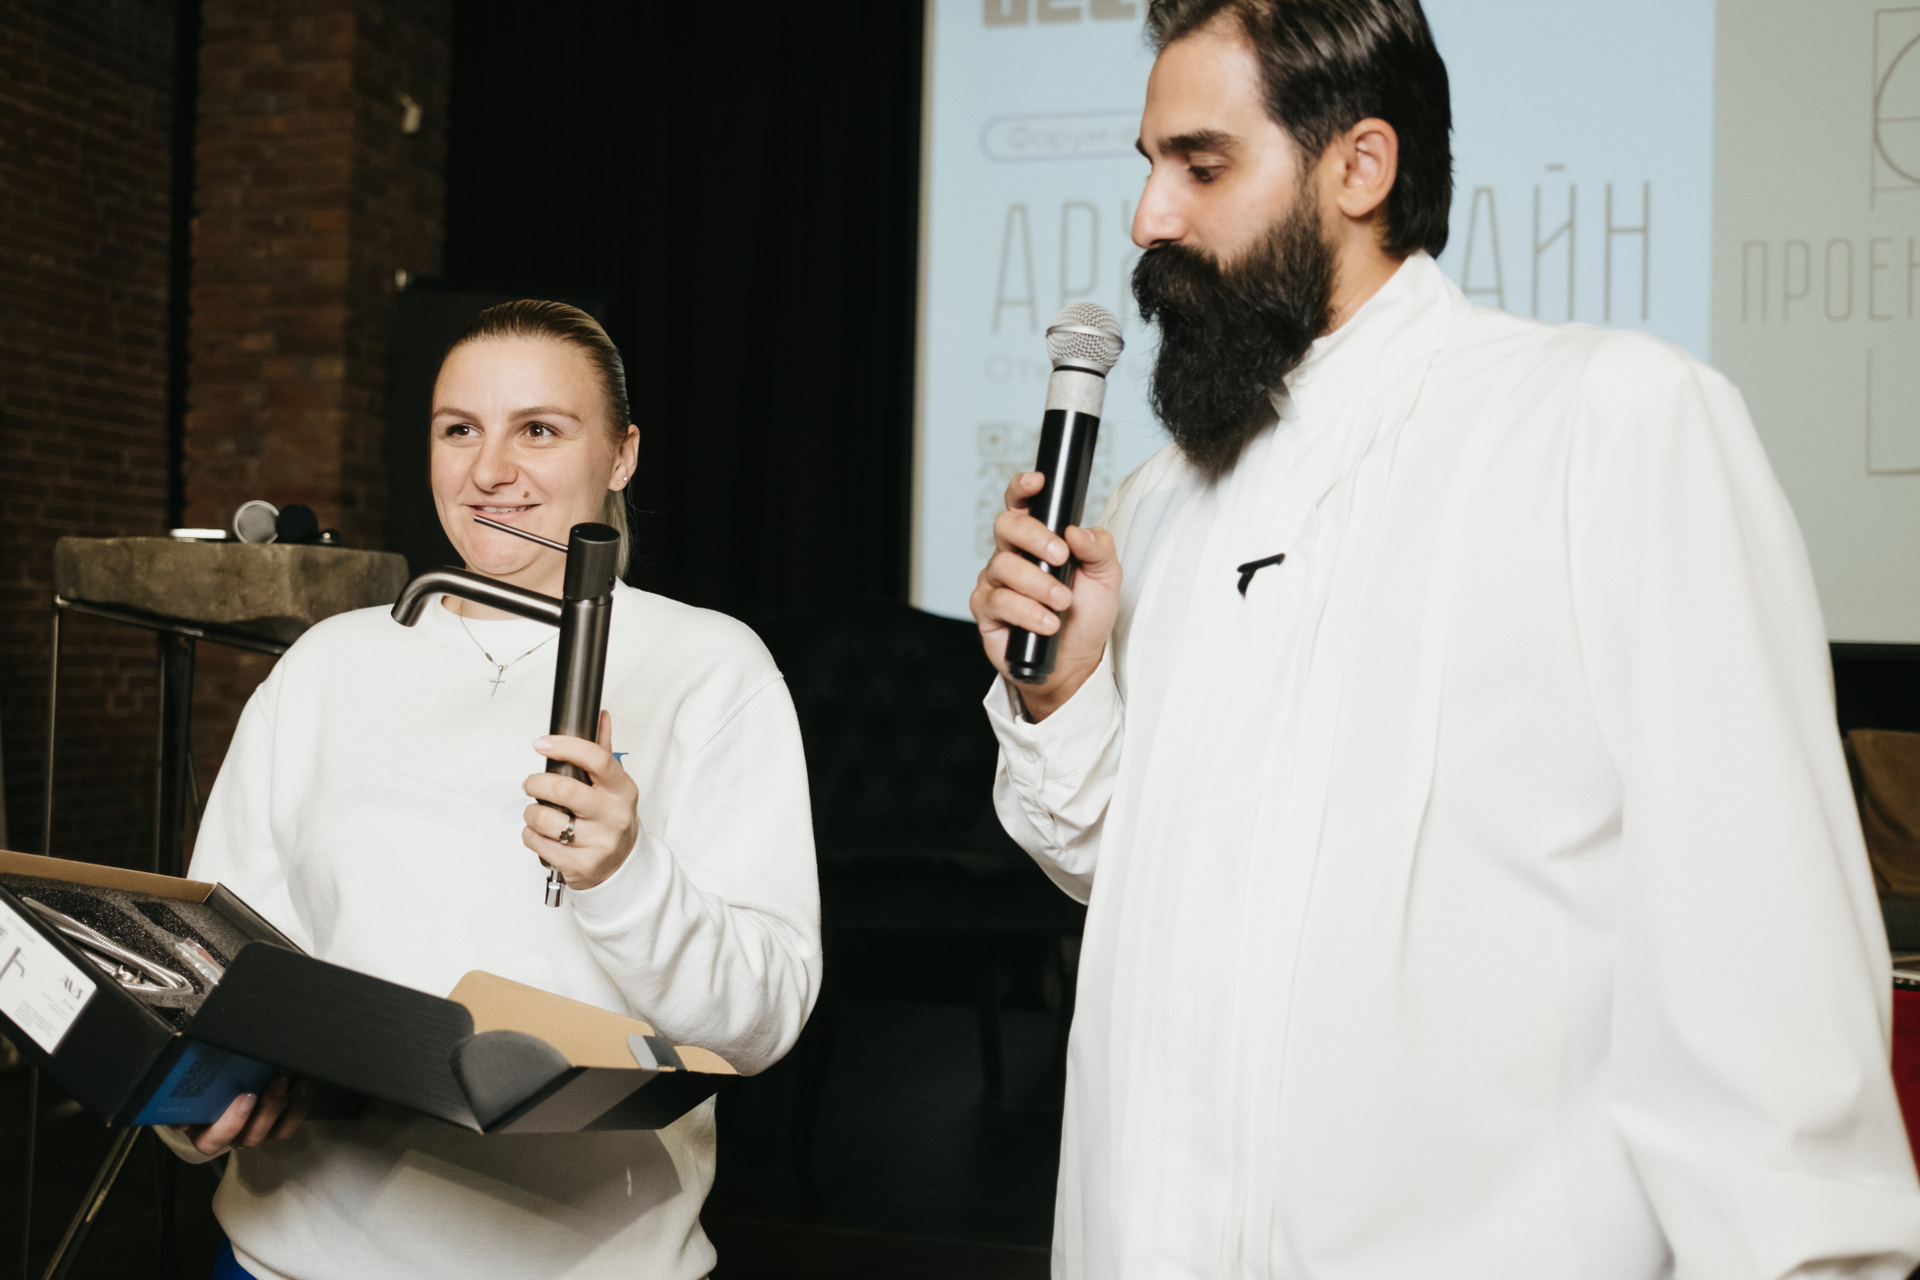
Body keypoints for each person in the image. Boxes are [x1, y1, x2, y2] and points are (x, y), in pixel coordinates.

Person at [970, 1, 1920, 1275]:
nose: (1148, 218)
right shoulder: (1154, 506)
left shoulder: (1610, 428)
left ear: (1361, 166)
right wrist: (1066, 692)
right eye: (1149, 167)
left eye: (1200, 166)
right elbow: (1123, 872)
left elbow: (1762, 983)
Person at [159, 301, 820, 1280]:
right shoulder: (328, 664)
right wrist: (195, 1101)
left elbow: (762, 1017)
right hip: (287, 1259)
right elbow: (214, 960)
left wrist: (624, 874)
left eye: (539, 430)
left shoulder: (711, 667)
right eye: (459, 429)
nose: (489, 471)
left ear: (623, 455)